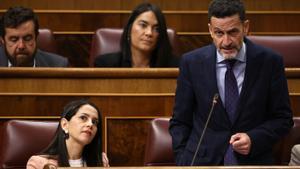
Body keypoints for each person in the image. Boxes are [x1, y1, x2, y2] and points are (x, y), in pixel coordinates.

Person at [169, 0, 293, 166]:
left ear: (246, 27)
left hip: (252, 161)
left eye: (233, 32)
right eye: (219, 33)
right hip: (202, 161)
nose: (226, 42)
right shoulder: (192, 63)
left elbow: (283, 119)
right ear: (210, 31)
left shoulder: (270, 62)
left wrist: (254, 138)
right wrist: (183, 160)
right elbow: (180, 121)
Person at [26, 99, 109, 168]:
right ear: (65, 125)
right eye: (83, 118)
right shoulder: (39, 163)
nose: (90, 124)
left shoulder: (100, 160)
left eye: (94, 122)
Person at [94, 2, 178, 68]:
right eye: (143, 25)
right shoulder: (105, 64)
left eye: (157, 29)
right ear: (129, 29)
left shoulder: (175, 66)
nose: (149, 33)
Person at [0, 6, 68, 67]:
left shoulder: (58, 66)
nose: (21, 46)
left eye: (28, 39)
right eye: (14, 39)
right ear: (3, 40)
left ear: (36, 37)